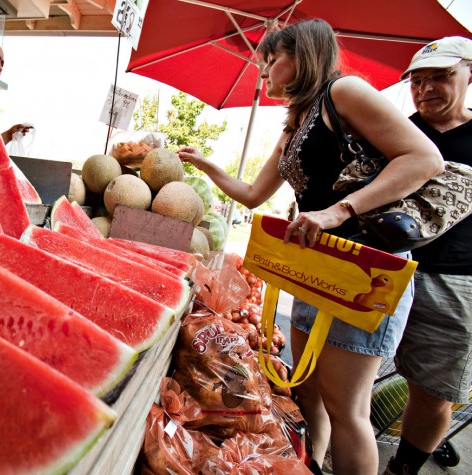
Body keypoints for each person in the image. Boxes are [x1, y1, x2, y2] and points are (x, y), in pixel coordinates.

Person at [178, 19, 443, 475]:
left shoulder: (346, 93)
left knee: (348, 411)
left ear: (301, 56)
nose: (262, 72)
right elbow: (253, 194)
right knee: (308, 393)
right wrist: (208, 167)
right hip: (313, 269)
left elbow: (425, 159)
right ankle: (312, 466)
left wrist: (339, 211)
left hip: (362, 273)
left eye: (271, 60)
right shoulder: (296, 121)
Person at [382, 36, 472, 475]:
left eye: (441, 76)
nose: (426, 88)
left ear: (469, 74)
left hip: (455, 279)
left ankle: (404, 464)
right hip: (388, 269)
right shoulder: (397, 131)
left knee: (433, 391)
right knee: (358, 368)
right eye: (417, 81)